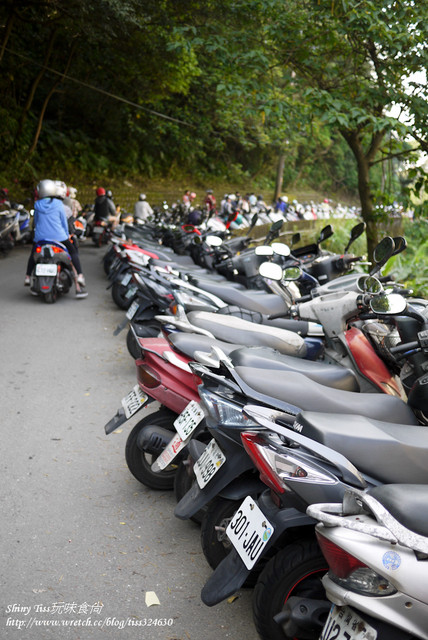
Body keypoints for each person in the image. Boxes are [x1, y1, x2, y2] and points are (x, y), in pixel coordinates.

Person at [24, 179, 88, 298]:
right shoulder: (59, 205)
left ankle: (28, 277)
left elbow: (36, 223)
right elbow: (64, 223)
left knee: (33, 254)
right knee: (73, 252)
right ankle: (79, 275)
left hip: (41, 238)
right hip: (59, 237)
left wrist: (37, 234)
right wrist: (65, 234)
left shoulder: (37, 205)